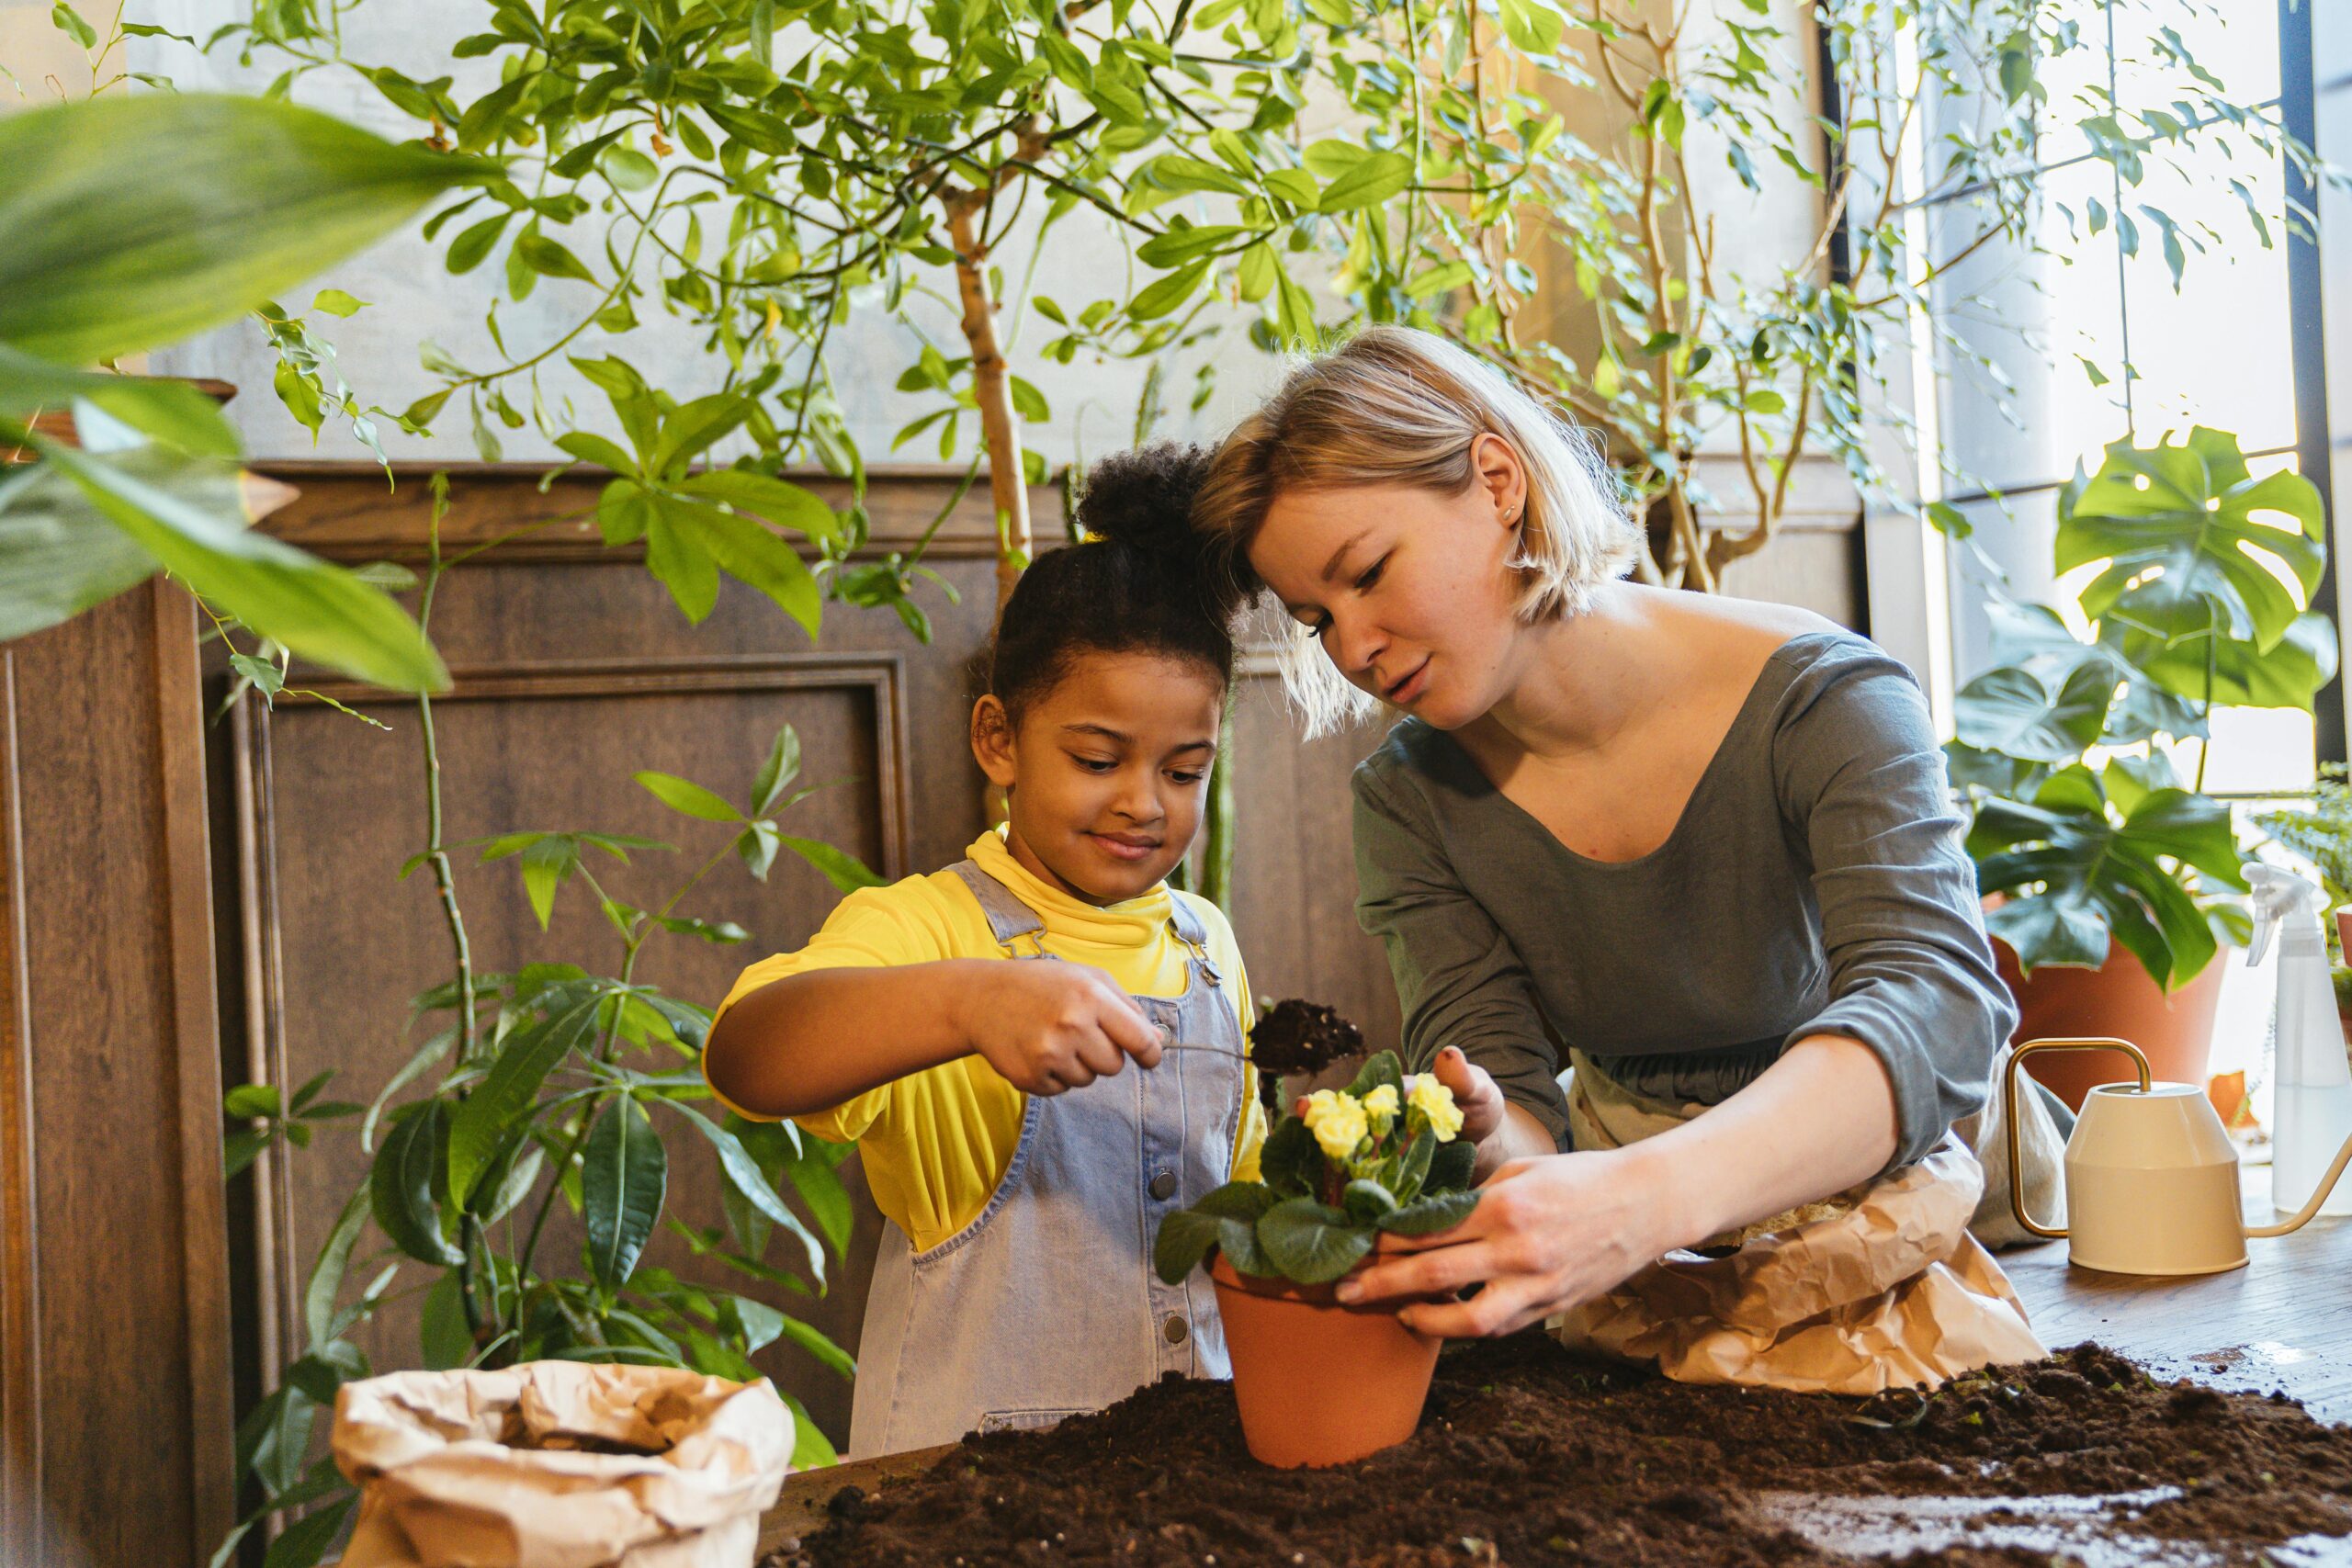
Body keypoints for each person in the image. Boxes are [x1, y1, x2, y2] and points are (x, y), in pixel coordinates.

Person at [1189, 325, 2019, 1342]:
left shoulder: (1824, 698)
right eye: (1315, 618)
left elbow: (1936, 1004)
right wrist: (1498, 1141)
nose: (1353, 648)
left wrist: (1651, 1196)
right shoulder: (1407, 804)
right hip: (1633, 1219)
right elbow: (1517, 1100)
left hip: (1902, 1180)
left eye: (1366, 572)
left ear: (1497, 482)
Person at [704, 444, 1264, 1456]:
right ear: (998, 739)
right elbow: (746, 1055)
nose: (1144, 802)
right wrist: (969, 1005)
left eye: (1184, 771)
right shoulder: (928, 927)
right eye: (1097, 759)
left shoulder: (1208, 947)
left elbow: (1248, 1221)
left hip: (1196, 1477)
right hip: (969, 1495)